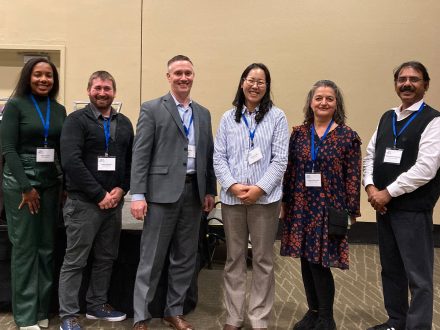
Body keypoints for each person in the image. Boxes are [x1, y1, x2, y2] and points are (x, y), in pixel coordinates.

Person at [130, 55, 216, 330]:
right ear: (168, 77)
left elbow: (208, 155)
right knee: (151, 258)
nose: (183, 77)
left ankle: (173, 311)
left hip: (193, 195)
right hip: (160, 196)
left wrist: (210, 191)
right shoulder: (152, 108)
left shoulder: (203, 113)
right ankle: (141, 316)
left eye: (188, 73)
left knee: (185, 257)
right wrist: (138, 195)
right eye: (177, 73)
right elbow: (140, 155)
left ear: (193, 76)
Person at [363, 61, 440, 330]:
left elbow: (426, 169)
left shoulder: (434, 121)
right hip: (384, 208)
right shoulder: (387, 117)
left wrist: (388, 193)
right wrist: (371, 188)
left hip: (412, 210)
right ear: (396, 84)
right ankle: (396, 320)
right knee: (391, 270)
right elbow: (371, 155)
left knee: (418, 276)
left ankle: (418, 327)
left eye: (414, 79)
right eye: (402, 79)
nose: (407, 83)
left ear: (425, 85)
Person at [280, 80, 361, 330]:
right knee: (305, 259)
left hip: (329, 208)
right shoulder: (299, 134)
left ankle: (326, 317)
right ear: (311, 103)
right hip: (301, 205)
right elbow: (290, 170)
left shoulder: (348, 136)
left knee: (320, 262)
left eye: (329, 98)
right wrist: (285, 201)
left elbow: (353, 176)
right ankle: (313, 311)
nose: (323, 103)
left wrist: (351, 211)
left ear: (337, 104)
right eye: (319, 98)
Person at [213, 63, 289, 330]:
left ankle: (258, 318)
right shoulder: (227, 118)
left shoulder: (277, 117)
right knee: (234, 259)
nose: (255, 86)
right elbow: (218, 158)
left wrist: (258, 189)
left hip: (265, 201)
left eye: (261, 81)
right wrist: (233, 185)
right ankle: (233, 318)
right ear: (242, 83)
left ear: (267, 87)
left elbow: (280, 161)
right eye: (251, 80)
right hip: (233, 201)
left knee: (263, 259)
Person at [58, 71, 134, 330]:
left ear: (114, 92)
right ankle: (68, 314)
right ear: (89, 90)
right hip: (83, 204)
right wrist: (99, 194)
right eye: (98, 88)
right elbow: (71, 162)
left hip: (114, 204)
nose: (102, 93)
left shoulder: (124, 123)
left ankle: (97, 304)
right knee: (75, 260)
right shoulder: (75, 121)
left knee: (106, 257)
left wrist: (122, 189)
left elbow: (129, 162)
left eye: (107, 89)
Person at [0, 57, 66, 330]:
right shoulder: (15, 106)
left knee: (47, 249)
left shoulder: (59, 109)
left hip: (50, 184)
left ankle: (41, 309)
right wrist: (27, 187)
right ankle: (25, 316)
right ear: (28, 77)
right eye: (38, 74)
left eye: (48, 75)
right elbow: (8, 150)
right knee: (26, 249)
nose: (43, 80)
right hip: (21, 184)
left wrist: (62, 184)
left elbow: (60, 150)